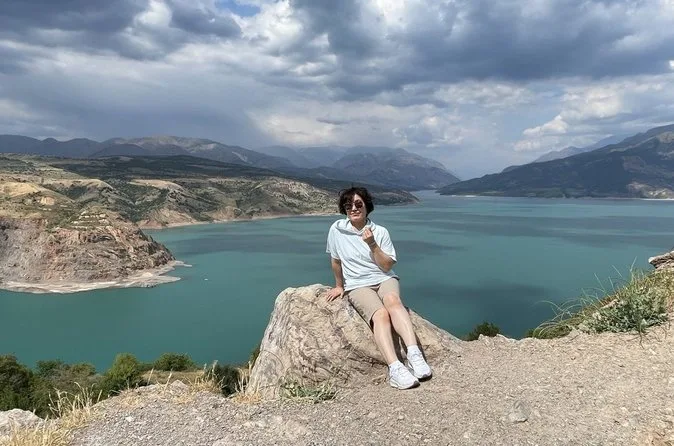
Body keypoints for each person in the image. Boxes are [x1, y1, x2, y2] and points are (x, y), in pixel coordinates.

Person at [325, 187, 432, 389]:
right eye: (348, 205)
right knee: (381, 315)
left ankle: (414, 354)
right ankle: (395, 368)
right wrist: (339, 286)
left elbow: (387, 266)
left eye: (358, 204)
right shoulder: (336, 230)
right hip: (357, 284)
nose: (353, 208)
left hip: (383, 278)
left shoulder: (380, 231)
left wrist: (372, 244)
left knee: (393, 301)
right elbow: (336, 261)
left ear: (367, 206)